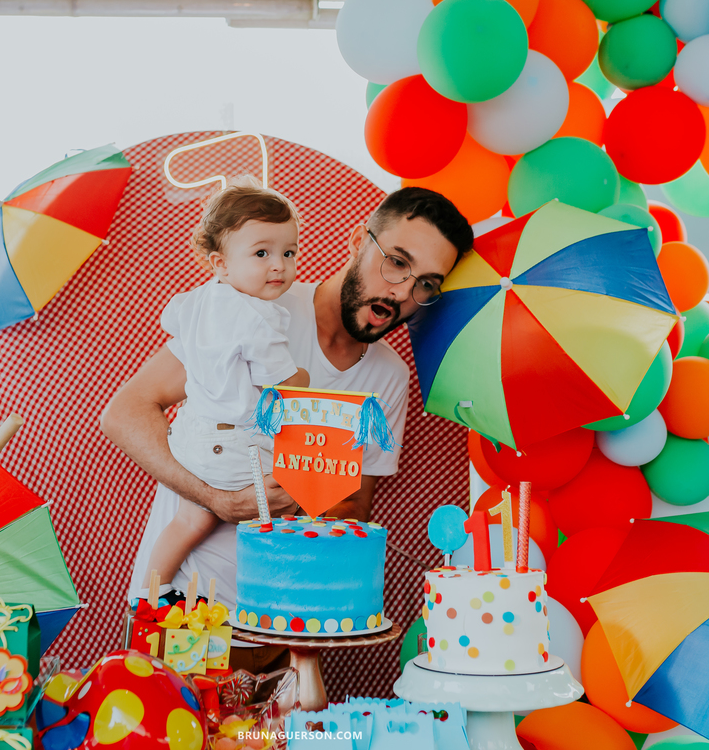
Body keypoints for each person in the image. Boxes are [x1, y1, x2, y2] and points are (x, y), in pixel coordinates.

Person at [103, 186, 472, 672]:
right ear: (357, 243)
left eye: (426, 283)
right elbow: (125, 411)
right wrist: (215, 499)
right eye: (397, 262)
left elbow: (355, 504)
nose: (403, 292)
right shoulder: (254, 304)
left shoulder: (390, 376)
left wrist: (306, 495)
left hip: (278, 630)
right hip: (182, 606)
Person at [141, 179, 310, 590]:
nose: (279, 266)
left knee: (190, 519)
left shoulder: (195, 301)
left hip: (190, 435)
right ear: (220, 264)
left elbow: (172, 322)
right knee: (292, 502)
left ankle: (152, 593)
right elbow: (285, 387)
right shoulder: (257, 317)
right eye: (262, 253)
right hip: (232, 442)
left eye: (288, 253)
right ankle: (278, 596)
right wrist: (303, 378)